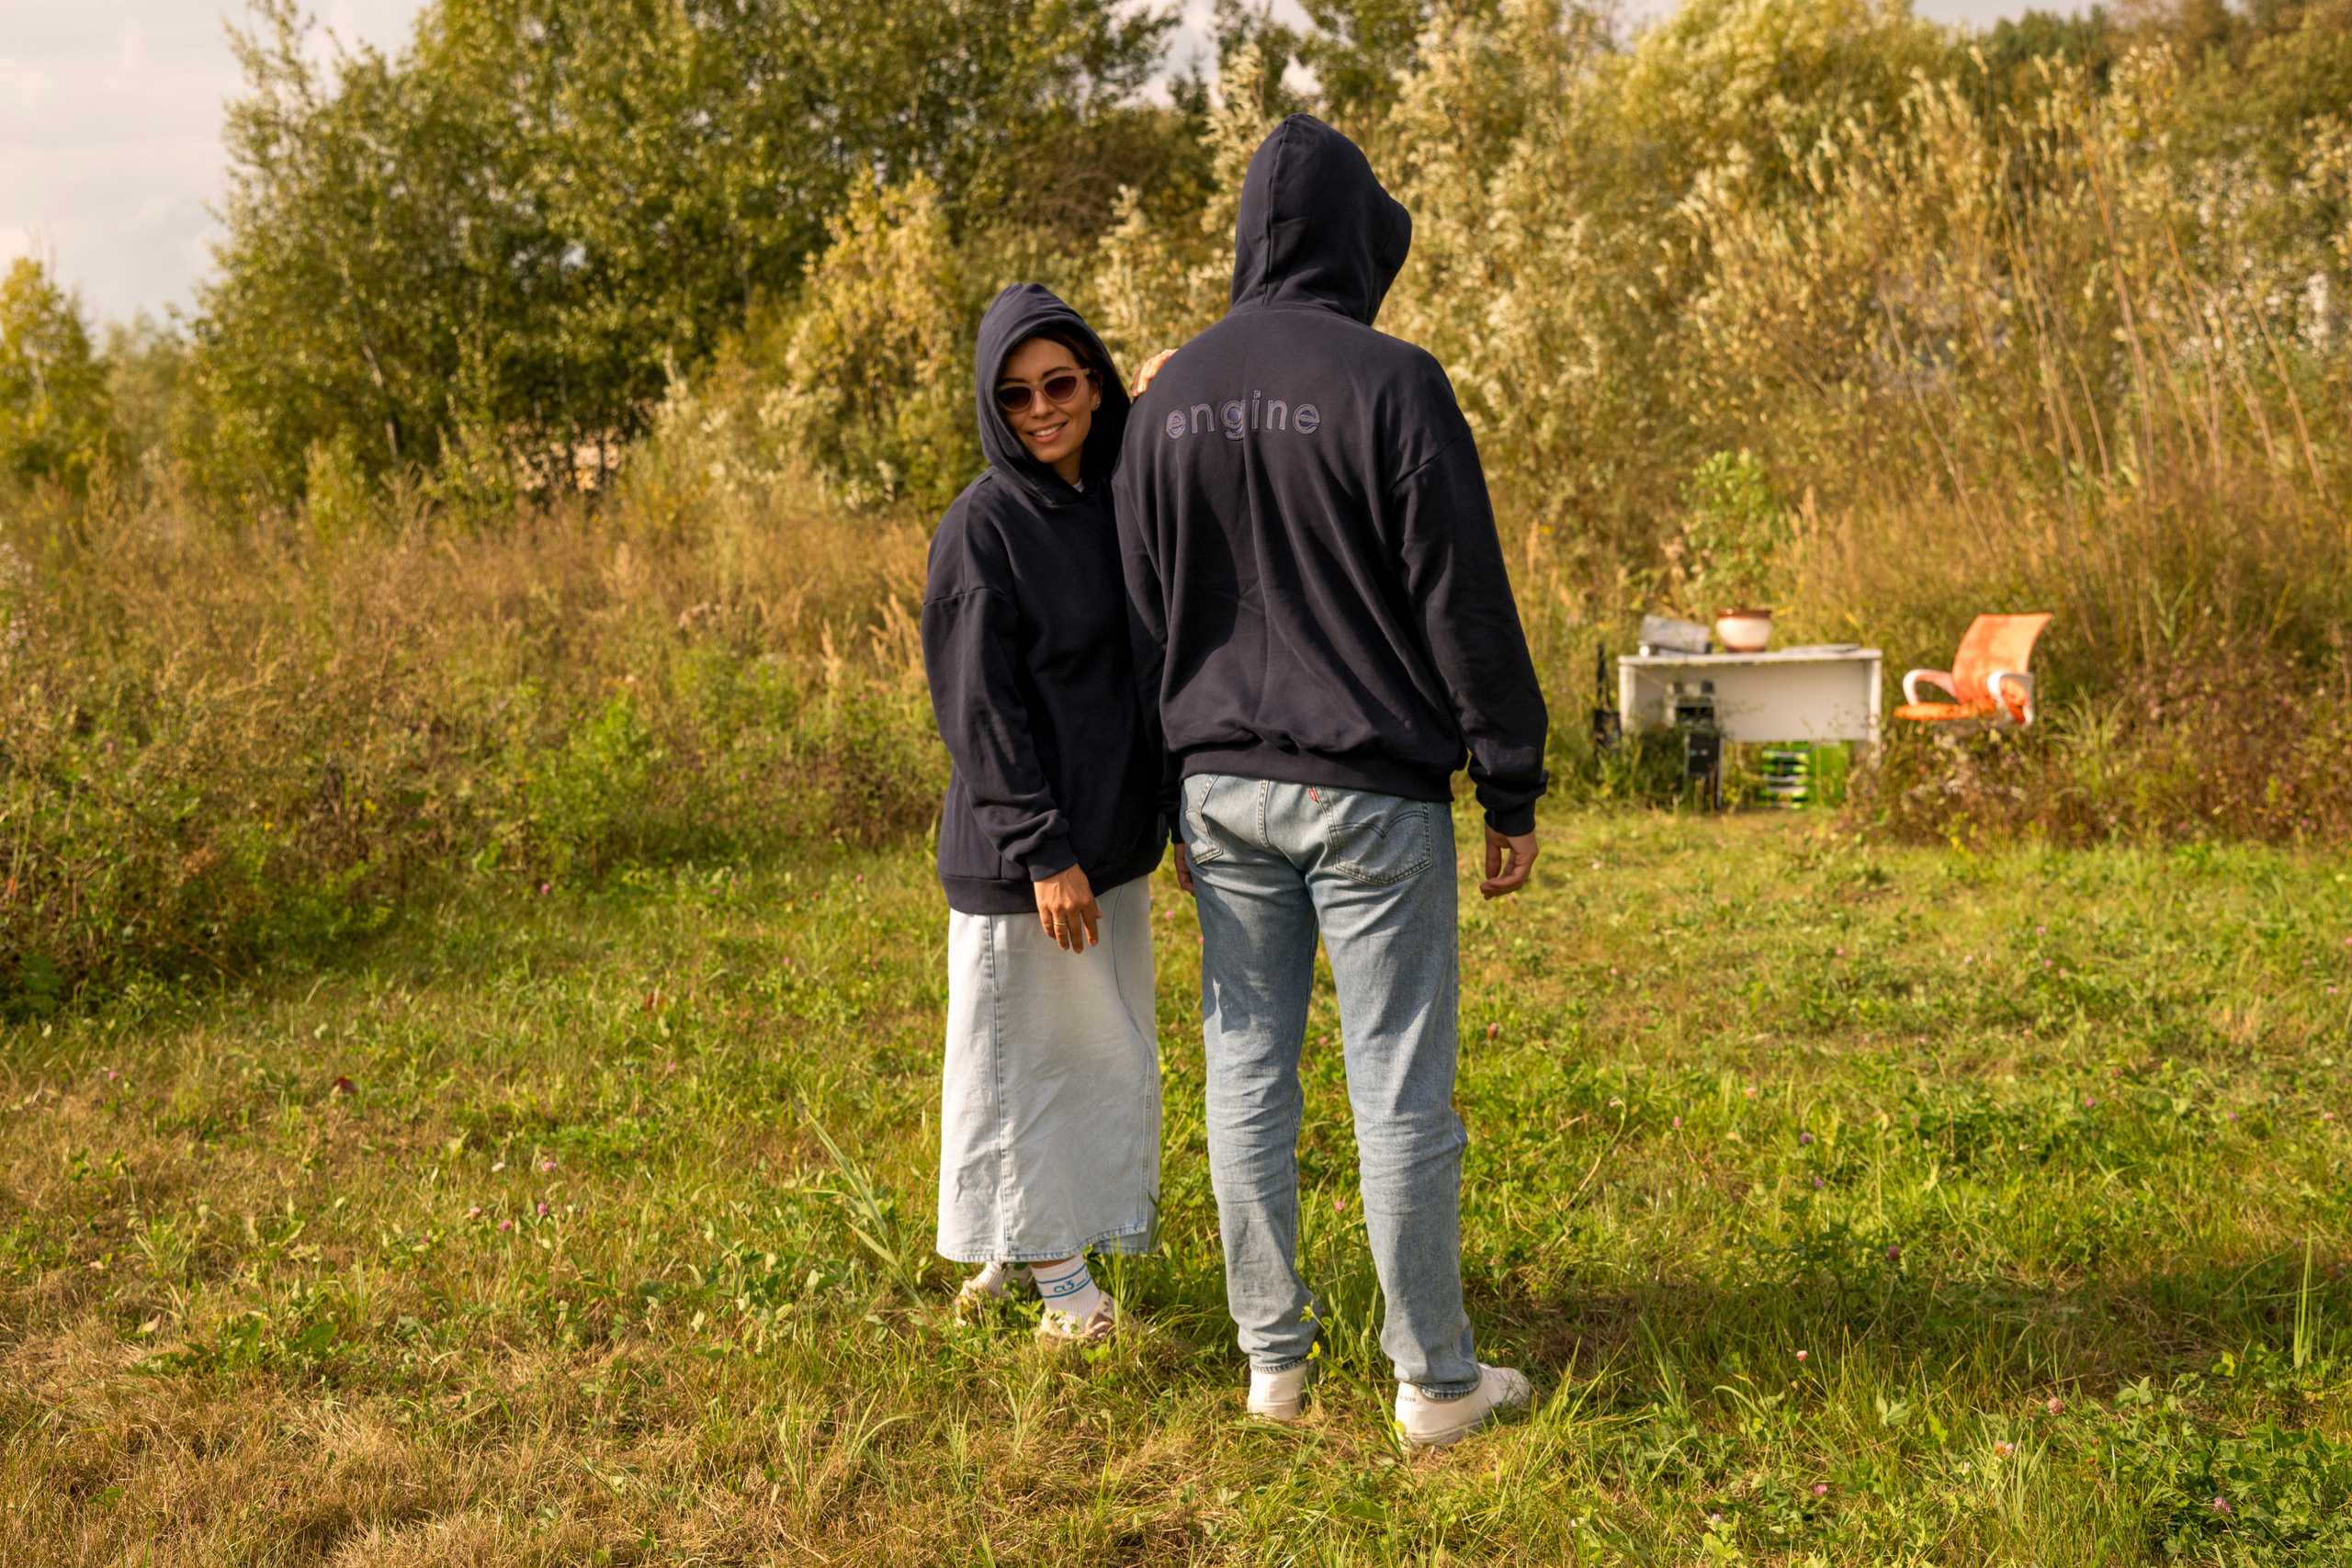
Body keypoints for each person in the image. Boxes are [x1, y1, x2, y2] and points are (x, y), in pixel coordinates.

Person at [1115, 117, 1551, 1444]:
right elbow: (1459, 595)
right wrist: (1510, 775)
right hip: (1371, 791)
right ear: (1360, 234)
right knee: (1398, 1080)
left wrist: (1164, 791)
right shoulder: (1394, 381)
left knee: (1245, 1068)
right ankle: (1432, 1382)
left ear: (1249, 235)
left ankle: (1274, 1365)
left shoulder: (1167, 397)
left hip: (1218, 787)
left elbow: (1143, 614)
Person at [922, 283, 1174, 1344]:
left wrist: (1165, 391)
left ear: (1095, 383)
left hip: (1107, 847)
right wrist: (1042, 851)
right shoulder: (984, 529)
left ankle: (1012, 1242)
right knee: (1019, 1060)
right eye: (1016, 395)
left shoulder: (1110, 497)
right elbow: (978, 708)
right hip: (1028, 858)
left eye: (1061, 384)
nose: (1040, 411)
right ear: (991, 405)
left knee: (1086, 1055)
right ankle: (1060, 1284)